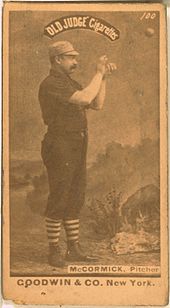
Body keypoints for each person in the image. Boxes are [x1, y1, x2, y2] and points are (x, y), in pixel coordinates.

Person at [38, 41, 116, 267]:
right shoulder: (51, 83)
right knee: (60, 194)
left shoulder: (69, 82)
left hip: (76, 142)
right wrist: (98, 73)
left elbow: (97, 103)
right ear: (57, 59)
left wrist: (103, 78)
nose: (76, 62)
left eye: (75, 57)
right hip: (59, 143)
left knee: (75, 194)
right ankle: (54, 250)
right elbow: (84, 99)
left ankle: (73, 248)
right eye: (71, 57)